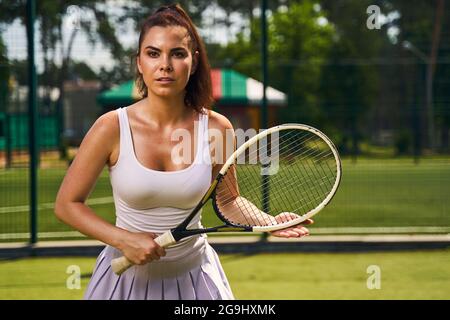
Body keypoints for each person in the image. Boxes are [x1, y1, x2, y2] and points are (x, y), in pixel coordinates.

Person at [54, 3, 312, 300]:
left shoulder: (218, 129)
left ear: (194, 61)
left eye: (177, 53)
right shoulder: (111, 127)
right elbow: (67, 204)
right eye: (153, 53)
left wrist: (268, 221)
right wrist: (123, 240)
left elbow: (229, 200)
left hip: (197, 282)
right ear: (139, 62)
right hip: (125, 284)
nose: (165, 65)